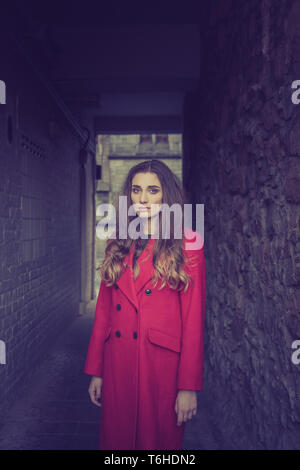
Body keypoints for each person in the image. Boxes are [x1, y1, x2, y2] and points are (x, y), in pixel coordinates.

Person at [84, 159, 206, 450]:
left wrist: (188, 386)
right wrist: (97, 370)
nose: (143, 198)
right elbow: (103, 311)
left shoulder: (187, 243)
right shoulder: (118, 241)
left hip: (161, 368)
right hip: (118, 363)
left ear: (167, 196)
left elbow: (193, 320)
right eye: (137, 190)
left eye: (153, 190)